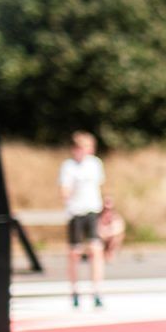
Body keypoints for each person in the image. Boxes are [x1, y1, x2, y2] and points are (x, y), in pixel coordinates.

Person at [59, 130, 106, 308]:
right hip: (75, 213)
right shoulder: (68, 166)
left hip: (92, 211)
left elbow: (98, 186)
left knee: (96, 249)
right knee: (75, 252)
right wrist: (68, 193)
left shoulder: (95, 164)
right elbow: (64, 190)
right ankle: (74, 290)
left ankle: (97, 290)